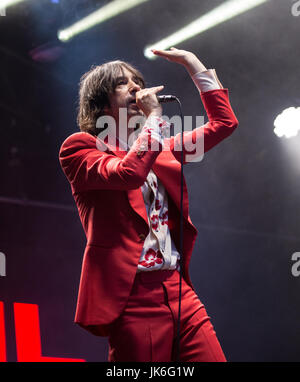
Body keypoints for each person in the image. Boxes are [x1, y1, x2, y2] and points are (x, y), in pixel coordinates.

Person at [59, 47, 238, 362]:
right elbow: (130, 173)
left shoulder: (160, 149)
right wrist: (154, 118)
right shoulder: (80, 148)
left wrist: (192, 64)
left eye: (137, 81)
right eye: (122, 83)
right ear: (100, 102)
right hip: (133, 298)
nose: (134, 88)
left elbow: (223, 124)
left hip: (179, 291)